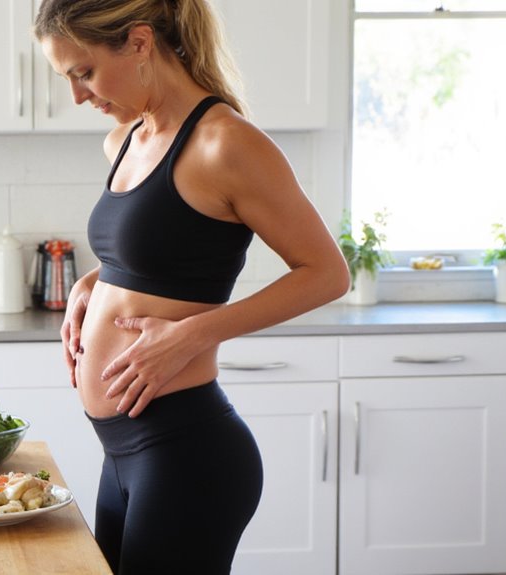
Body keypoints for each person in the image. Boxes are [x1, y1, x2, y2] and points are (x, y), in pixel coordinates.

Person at [34, 1, 351, 573]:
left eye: (83, 72)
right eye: (67, 79)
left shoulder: (226, 143)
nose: (78, 96)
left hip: (185, 452)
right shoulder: (125, 140)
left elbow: (327, 273)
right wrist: (93, 281)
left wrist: (192, 335)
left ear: (137, 42)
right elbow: (161, 254)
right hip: (122, 451)